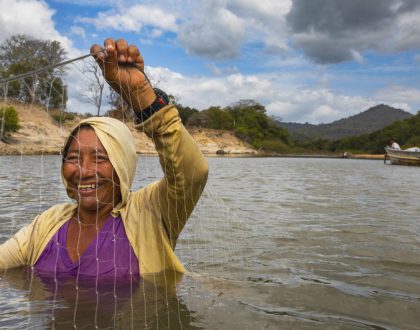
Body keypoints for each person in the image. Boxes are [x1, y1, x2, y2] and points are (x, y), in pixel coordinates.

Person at [0, 38, 209, 280]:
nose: (84, 170)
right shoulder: (47, 223)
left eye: (100, 158)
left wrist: (141, 94)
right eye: (73, 157)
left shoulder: (149, 213)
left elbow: (193, 172)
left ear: (123, 163)